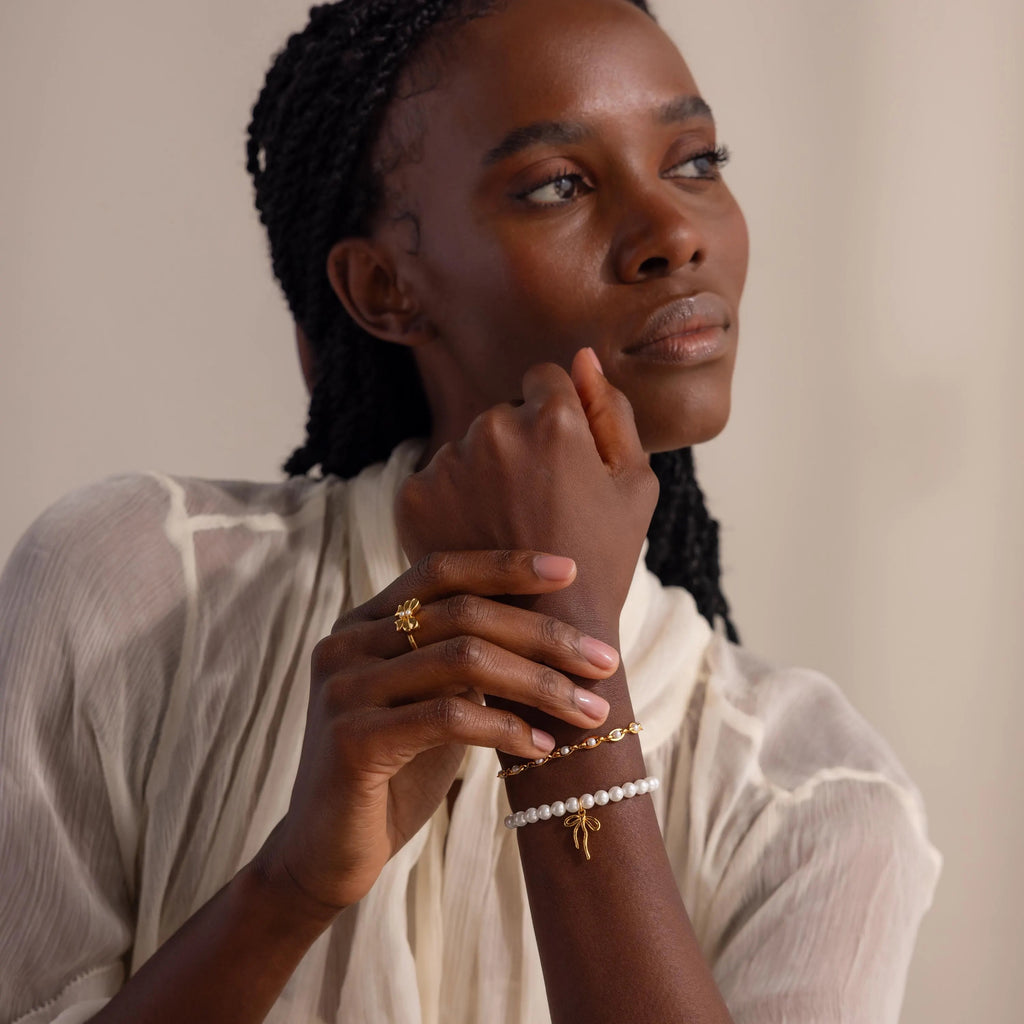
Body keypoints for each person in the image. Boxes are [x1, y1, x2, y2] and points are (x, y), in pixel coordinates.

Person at [0, 1, 941, 1022]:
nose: (673, 233)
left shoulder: (816, 800)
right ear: (383, 286)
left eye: (696, 162)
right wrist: (291, 884)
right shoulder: (131, 595)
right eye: (559, 185)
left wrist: (566, 693)